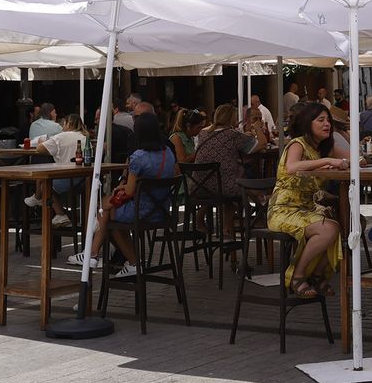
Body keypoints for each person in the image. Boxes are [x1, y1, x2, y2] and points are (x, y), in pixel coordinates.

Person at [69, 113, 178, 277]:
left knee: (108, 211)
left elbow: (129, 191)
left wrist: (120, 189)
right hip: (162, 211)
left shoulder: (138, 157)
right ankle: (95, 253)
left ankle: (103, 256)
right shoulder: (168, 153)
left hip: (141, 212)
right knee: (108, 208)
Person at [268, 104, 349, 297]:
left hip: (308, 209)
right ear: (307, 123)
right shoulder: (298, 144)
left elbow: (357, 158)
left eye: (328, 120)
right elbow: (292, 167)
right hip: (283, 210)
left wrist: (346, 145)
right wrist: (326, 162)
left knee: (348, 223)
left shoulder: (323, 148)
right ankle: (297, 276)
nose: (327, 124)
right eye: (320, 120)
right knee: (329, 228)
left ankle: (318, 275)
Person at [193, 103, 270, 210]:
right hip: (223, 187)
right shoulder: (232, 134)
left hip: (198, 185)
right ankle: (258, 214)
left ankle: (212, 222)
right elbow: (262, 144)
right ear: (232, 118)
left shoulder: (203, 133)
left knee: (233, 180)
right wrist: (258, 128)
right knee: (244, 185)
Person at [24, 114, 88, 224]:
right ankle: (38, 198)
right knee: (44, 174)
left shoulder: (62, 136)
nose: (63, 126)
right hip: (83, 179)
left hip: (68, 178)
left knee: (45, 184)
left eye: (64, 123)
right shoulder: (84, 137)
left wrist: (40, 142)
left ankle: (60, 214)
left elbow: (40, 149)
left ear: (68, 124)